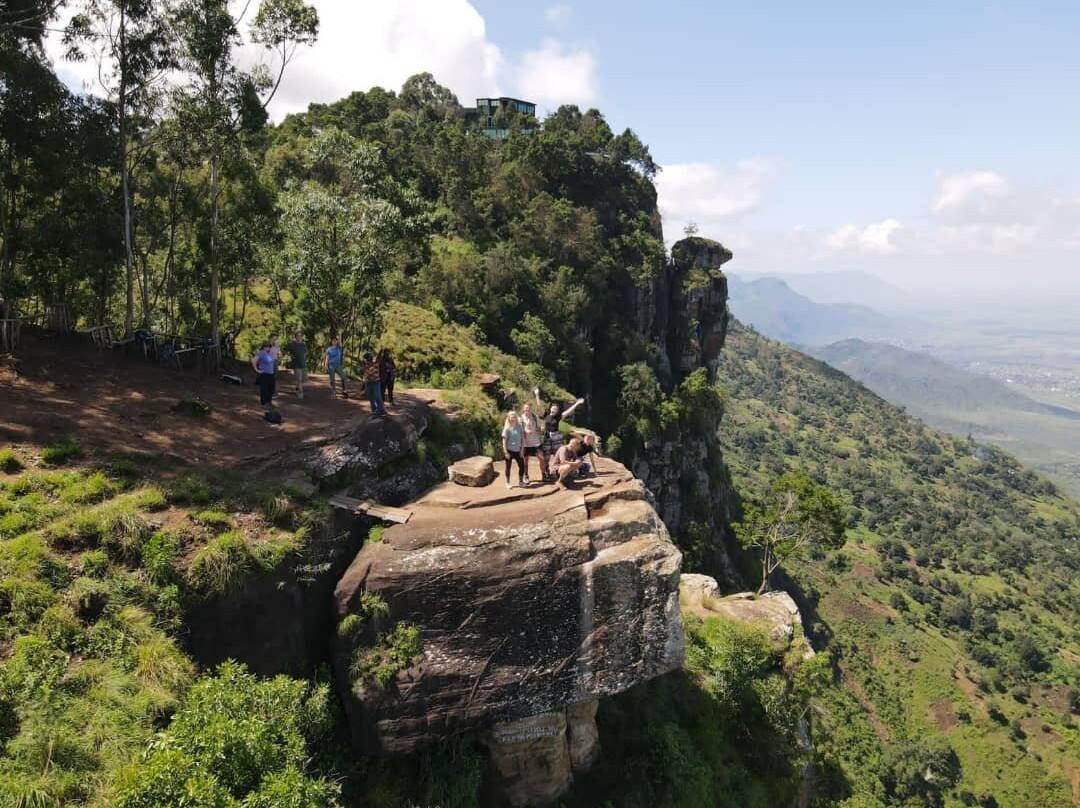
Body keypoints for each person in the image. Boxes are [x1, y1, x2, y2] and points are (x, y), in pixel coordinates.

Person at [535, 387, 585, 481]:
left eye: (556, 409)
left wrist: (577, 403)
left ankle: (558, 472)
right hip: (547, 438)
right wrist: (537, 394)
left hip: (556, 438)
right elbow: (539, 405)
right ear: (550, 409)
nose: (554, 410)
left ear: (557, 411)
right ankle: (546, 474)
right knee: (546, 457)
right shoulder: (546, 415)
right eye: (553, 408)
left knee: (559, 455)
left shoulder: (558, 417)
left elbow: (568, 412)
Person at [501, 411, 526, 490]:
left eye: (514, 416)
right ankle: (508, 483)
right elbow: (504, 442)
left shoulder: (519, 427)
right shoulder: (507, 428)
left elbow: (523, 439)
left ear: (516, 418)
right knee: (508, 467)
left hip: (518, 450)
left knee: (522, 466)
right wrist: (506, 452)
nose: (513, 418)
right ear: (509, 418)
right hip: (509, 450)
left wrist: (522, 450)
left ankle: (521, 482)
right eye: (511, 416)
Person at [520, 401, 542, 486]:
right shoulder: (520, 418)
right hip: (525, 443)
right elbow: (519, 430)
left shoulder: (535, 417)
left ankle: (544, 474)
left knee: (541, 458)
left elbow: (539, 429)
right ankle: (526, 476)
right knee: (525, 461)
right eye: (526, 408)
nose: (527, 410)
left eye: (529, 408)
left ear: (531, 409)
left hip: (536, 442)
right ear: (523, 409)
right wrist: (525, 431)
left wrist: (539, 429)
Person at [251, 341, 276, 413]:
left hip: (271, 374)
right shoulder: (261, 353)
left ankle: (269, 402)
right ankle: (264, 403)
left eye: (268, 346)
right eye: (266, 346)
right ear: (263, 347)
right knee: (264, 389)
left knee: (271, 389)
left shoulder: (269, 354)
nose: (267, 348)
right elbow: (253, 360)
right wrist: (257, 370)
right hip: (264, 374)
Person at [362, 348, 387, 417]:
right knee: (370, 397)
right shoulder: (365, 363)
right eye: (367, 356)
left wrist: (381, 350)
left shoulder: (376, 361)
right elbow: (364, 370)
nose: (369, 357)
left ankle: (381, 410)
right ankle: (374, 410)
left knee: (377, 396)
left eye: (369, 356)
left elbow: (379, 356)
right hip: (368, 382)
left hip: (376, 382)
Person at [284, 330, 308, 400]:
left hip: (303, 364)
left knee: (304, 379)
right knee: (299, 380)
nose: (299, 337)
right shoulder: (292, 344)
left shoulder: (304, 345)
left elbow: (306, 352)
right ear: (295, 337)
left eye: (300, 336)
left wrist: (304, 357)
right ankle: (300, 393)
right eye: (298, 336)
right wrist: (289, 355)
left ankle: (297, 387)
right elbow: (285, 350)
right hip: (296, 364)